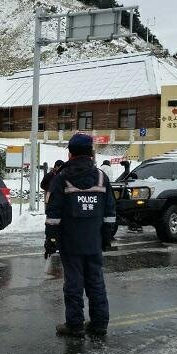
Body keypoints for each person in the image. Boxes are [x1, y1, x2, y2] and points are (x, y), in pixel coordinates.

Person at [44, 133, 116, 338]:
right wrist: (106, 237)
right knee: (96, 282)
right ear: (91, 153)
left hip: (71, 243)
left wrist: (51, 239)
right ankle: (99, 324)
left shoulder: (62, 178)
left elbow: (54, 213)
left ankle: (75, 325)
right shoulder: (101, 177)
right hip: (94, 242)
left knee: (74, 284)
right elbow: (110, 212)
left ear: (70, 153)